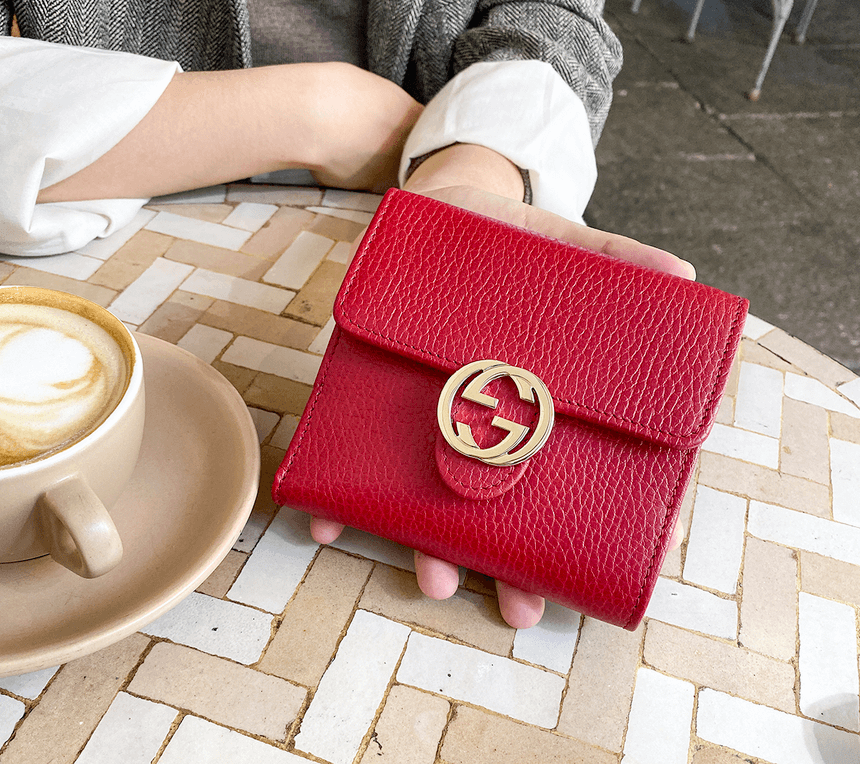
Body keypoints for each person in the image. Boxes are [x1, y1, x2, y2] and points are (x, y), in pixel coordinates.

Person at [0, 0, 691, 627]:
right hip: (105, 255)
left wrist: (472, 170)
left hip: (437, 258)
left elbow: (555, 19)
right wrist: (315, 114)